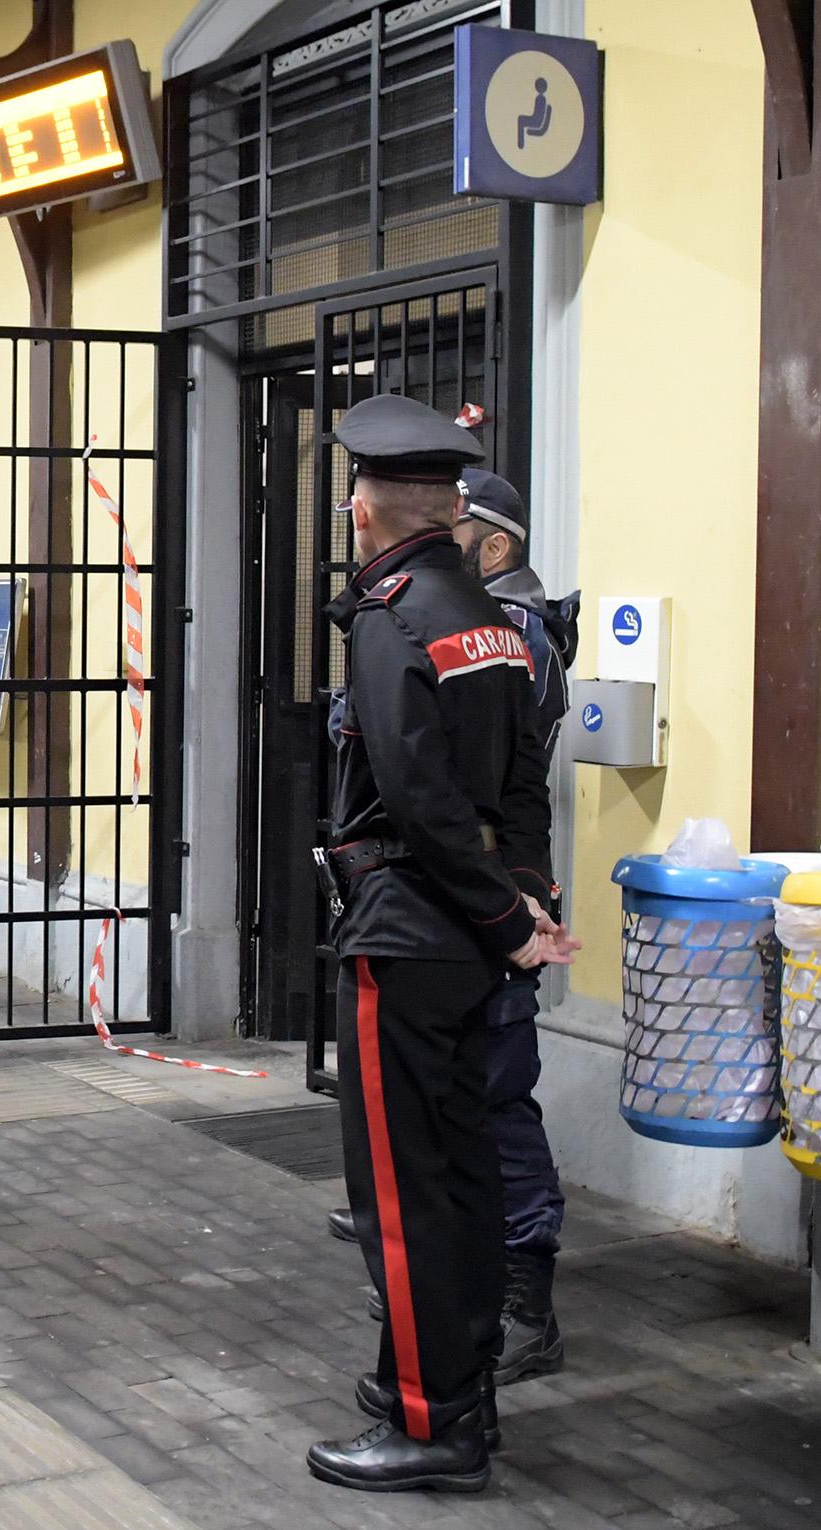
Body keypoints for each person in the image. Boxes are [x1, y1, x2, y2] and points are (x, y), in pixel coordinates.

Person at [304, 395, 577, 1495]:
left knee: (401, 1194)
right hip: (472, 946)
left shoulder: (393, 616)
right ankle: (449, 1380)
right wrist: (522, 908)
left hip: (407, 934)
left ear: (364, 509)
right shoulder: (497, 622)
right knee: (461, 1176)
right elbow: (520, 788)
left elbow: (413, 796)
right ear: (450, 509)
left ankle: (431, 1423)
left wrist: (502, 916)